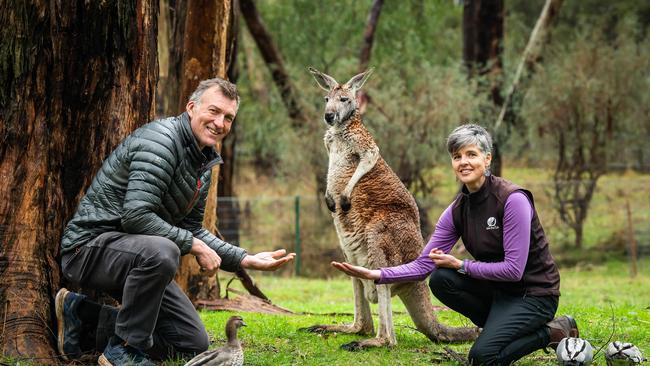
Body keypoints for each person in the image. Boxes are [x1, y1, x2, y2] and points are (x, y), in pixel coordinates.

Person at [56, 77, 295, 366]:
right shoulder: (162, 141)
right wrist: (193, 245)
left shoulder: (202, 161)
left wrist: (245, 259)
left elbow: (192, 228)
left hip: (136, 256)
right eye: (214, 111)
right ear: (192, 107)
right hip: (88, 249)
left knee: (189, 341)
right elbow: (136, 216)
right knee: (164, 251)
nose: (220, 123)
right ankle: (123, 350)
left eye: (229, 118)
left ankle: (80, 315)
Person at [332, 124, 578, 365]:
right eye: (457, 156)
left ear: (487, 159)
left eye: (472, 154)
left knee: (482, 358)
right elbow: (422, 266)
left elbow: (513, 270)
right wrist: (377, 273)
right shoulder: (457, 210)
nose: (464, 162)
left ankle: (553, 331)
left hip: (533, 295)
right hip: (499, 292)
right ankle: (502, 326)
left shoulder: (512, 200)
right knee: (441, 279)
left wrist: (462, 264)